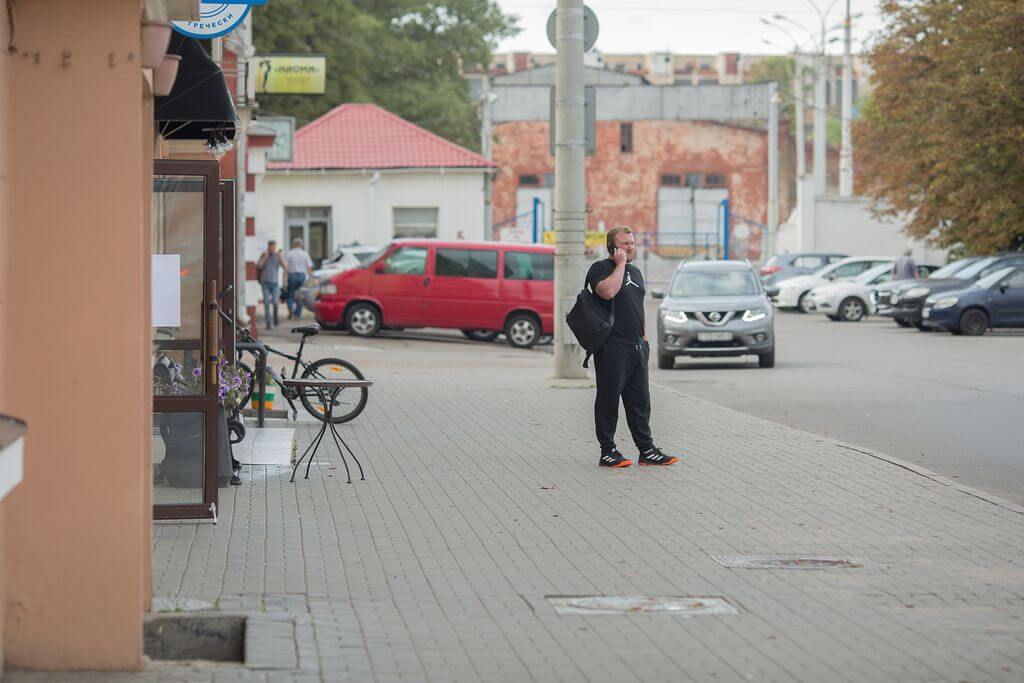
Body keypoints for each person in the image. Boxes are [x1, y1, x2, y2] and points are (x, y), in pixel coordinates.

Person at [587, 226, 680, 468]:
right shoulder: (600, 269)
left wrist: (645, 339)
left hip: (637, 346)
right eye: (625, 244)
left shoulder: (636, 272)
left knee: (640, 401)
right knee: (608, 400)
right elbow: (607, 292)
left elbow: (638, 306)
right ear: (612, 247)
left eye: (632, 243)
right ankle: (607, 451)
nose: (630, 248)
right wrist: (619, 264)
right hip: (612, 346)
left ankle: (647, 450)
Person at [256, 240, 285, 330]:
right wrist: (265, 257)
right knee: (266, 303)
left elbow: (286, 267)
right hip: (265, 283)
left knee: (276, 302)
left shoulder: (277, 256)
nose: (272, 249)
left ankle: (275, 319)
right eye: (271, 247)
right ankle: (268, 323)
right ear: (268, 247)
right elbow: (258, 266)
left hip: (275, 283)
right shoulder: (264, 255)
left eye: (274, 247)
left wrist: (280, 257)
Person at [284, 238, 314, 319]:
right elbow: (309, 267)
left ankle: (290, 309)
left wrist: (284, 279)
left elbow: (286, 267)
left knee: (290, 295)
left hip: (292, 275)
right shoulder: (304, 254)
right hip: (302, 276)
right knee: (300, 296)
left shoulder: (289, 253)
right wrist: (311, 278)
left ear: (293, 244)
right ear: (301, 245)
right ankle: (297, 314)